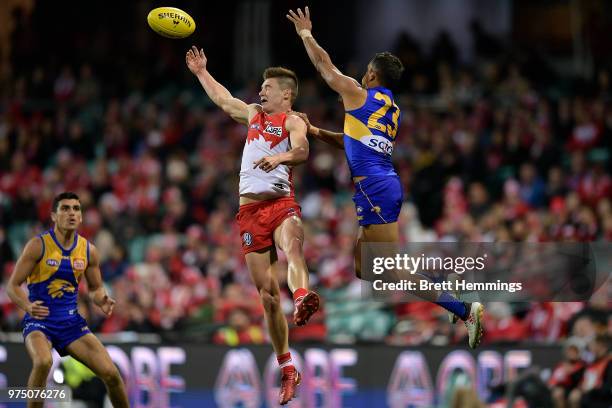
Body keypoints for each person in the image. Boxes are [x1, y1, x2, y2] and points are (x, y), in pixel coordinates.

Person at [287, 7, 484, 348]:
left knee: (390, 270)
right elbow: (354, 142)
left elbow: (324, 67)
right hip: (376, 187)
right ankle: (441, 290)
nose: (361, 77)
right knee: (366, 268)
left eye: (366, 73)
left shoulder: (358, 94)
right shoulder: (391, 109)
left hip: (376, 189)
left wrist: (306, 34)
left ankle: (463, 308)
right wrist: (316, 131)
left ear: (374, 77)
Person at [186, 46, 317, 405]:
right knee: (268, 297)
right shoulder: (254, 114)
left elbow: (303, 151)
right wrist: (201, 72)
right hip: (249, 215)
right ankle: (288, 368)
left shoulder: (293, 121)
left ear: (286, 94)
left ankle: (303, 296)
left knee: (292, 246)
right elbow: (223, 99)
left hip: (280, 203)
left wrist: (282, 156)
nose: (261, 92)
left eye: (268, 87)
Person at [7, 192, 128, 408]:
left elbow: (95, 288)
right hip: (40, 322)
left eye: (76, 209)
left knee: (111, 375)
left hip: (71, 324)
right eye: (65, 208)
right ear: (53, 215)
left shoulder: (88, 251)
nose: (71, 213)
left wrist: (100, 299)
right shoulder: (38, 246)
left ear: (81, 217)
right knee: (43, 361)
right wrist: (27, 306)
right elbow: (12, 286)